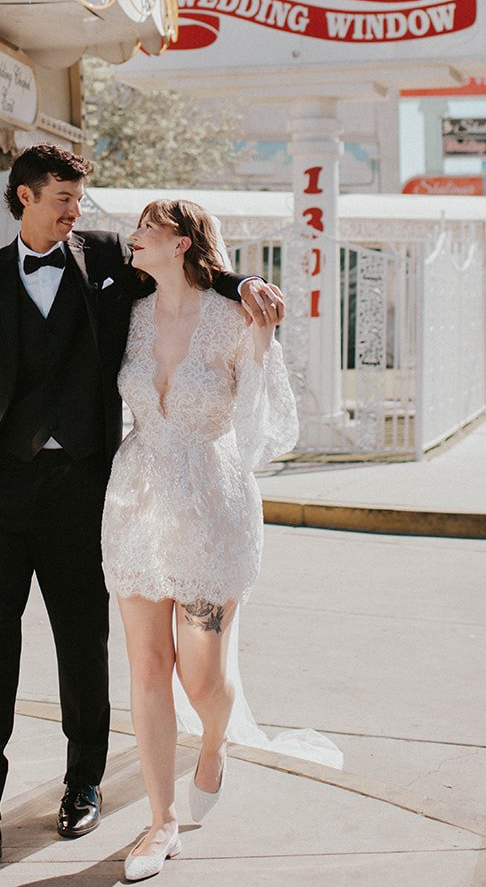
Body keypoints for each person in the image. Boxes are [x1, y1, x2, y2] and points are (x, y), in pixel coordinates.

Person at [0, 145, 284, 869]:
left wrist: (248, 283)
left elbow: (195, 268)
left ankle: (82, 785)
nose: (76, 209)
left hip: (84, 485)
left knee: (83, 641)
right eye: (62, 196)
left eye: (79, 197)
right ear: (23, 196)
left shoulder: (113, 259)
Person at [102, 199, 306, 883]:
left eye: (147, 229)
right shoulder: (125, 315)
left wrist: (257, 323)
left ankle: (215, 739)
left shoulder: (233, 316)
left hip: (210, 505)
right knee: (146, 666)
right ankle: (159, 822)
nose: (132, 238)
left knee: (202, 675)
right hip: (135, 501)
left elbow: (265, 420)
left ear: (182, 241)